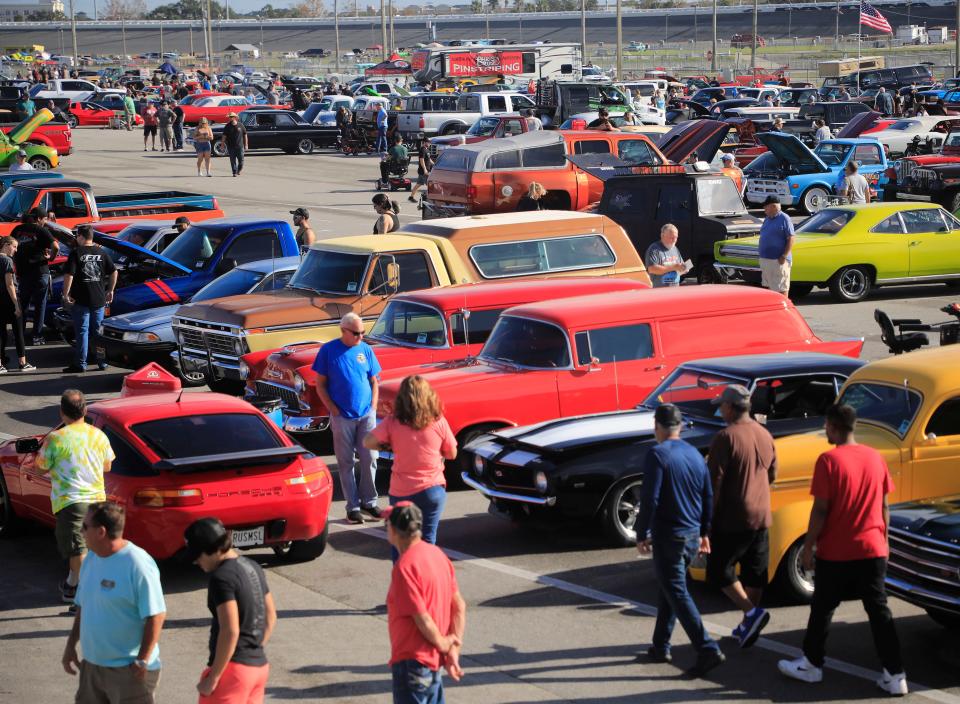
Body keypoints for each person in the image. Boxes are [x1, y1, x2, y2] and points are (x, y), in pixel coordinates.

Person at [777, 404, 907, 696]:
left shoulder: (828, 461)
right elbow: (884, 505)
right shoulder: (875, 458)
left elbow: (820, 510)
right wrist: (884, 541)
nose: (825, 430)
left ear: (834, 426)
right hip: (872, 547)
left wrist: (808, 546)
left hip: (837, 550)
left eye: (826, 426)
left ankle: (812, 664)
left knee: (823, 608)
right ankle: (895, 673)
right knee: (878, 610)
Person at [636, 404, 724, 676]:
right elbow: (707, 496)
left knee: (675, 590)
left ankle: (706, 647)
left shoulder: (657, 455)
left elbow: (650, 498)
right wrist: (705, 532)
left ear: (658, 426)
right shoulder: (695, 455)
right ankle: (660, 645)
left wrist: (641, 532)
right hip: (691, 535)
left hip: (669, 536)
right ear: (681, 426)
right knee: (669, 588)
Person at [61, 501, 166, 703]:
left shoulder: (137, 564)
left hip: (129, 671)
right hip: (92, 666)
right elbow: (84, 606)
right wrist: (71, 645)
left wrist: (142, 659)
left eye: (85, 527)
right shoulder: (91, 559)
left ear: (101, 532)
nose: (81, 531)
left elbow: (156, 615)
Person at [706, 385, 777, 649]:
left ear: (730, 407)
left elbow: (714, 482)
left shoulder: (725, 437)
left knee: (719, 571)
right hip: (762, 515)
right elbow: (772, 475)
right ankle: (749, 624)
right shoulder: (764, 433)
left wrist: (707, 522)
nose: (719, 409)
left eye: (721, 405)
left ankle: (751, 613)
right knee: (754, 573)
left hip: (734, 517)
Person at [185, 518, 277, 704]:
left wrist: (214, 677)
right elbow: (270, 616)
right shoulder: (252, 566)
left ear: (211, 549)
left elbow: (230, 629)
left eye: (197, 554)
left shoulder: (221, 578)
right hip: (257, 668)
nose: (196, 561)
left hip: (232, 672)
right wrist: (252, 650)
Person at [365, 375, 457, 553]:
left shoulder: (393, 422)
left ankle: (403, 577)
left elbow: (368, 442)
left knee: (400, 543)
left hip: (402, 491)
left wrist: (389, 444)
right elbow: (452, 453)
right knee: (428, 542)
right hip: (433, 489)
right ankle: (426, 578)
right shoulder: (438, 421)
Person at [385, 502, 466, 703]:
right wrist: (452, 650)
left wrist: (443, 643)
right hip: (432, 662)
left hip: (413, 662)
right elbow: (459, 606)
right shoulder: (438, 555)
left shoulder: (404, 567)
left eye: (386, 523)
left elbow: (422, 617)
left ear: (394, 530)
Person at [38, 389, 113, 602]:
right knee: (91, 546)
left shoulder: (56, 438)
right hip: (98, 499)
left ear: (62, 412)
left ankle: (83, 591)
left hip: (71, 500)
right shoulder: (99, 435)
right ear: (85, 410)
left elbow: (39, 469)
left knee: (77, 547)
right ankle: (72, 584)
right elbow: (107, 466)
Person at [312, 312, 383, 524]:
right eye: (356, 333)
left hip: (366, 414)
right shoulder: (328, 351)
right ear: (343, 331)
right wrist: (333, 409)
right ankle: (352, 507)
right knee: (346, 462)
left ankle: (369, 502)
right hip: (342, 416)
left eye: (362, 332)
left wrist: (373, 406)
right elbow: (320, 384)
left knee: (370, 458)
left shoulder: (365, 349)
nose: (360, 337)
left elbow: (374, 380)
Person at [62, 224, 117, 373]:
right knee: (98, 333)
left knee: (82, 332)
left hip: (81, 299)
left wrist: (65, 294)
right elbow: (114, 271)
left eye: (77, 236)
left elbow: (69, 275)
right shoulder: (101, 252)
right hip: (99, 299)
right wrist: (110, 290)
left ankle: (81, 364)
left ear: (81, 236)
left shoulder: (76, 253)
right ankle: (102, 362)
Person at [13, 207, 55, 346]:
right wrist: (51, 258)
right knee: (40, 305)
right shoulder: (41, 230)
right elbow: (56, 246)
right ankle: (37, 336)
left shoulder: (17, 230)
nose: (45, 222)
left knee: (22, 305)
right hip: (40, 272)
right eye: (44, 219)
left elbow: (9, 247)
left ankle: (20, 335)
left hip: (24, 274)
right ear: (38, 219)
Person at [0, 236, 34, 372]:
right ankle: (22, 362)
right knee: (18, 330)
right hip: (9, 299)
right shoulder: (7, 260)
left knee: (1, 332)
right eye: (14, 246)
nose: (15, 250)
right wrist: (16, 304)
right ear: (6, 245)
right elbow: (10, 284)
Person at [758, 196, 793, 296]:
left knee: (782, 287)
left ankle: (783, 309)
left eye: (766, 207)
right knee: (771, 288)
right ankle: (773, 309)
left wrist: (784, 256)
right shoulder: (767, 219)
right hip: (766, 260)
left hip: (778, 260)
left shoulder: (784, 218)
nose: (764, 210)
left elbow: (791, 238)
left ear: (773, 206)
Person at [644, 223, 686, 288]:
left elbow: (680, 264)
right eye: (671, 237)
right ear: (662, 236)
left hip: (675, 290)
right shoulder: (654, 249)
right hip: (660, 292)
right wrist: (673, 267)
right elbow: (652, 269)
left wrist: (684, 268)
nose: (674, 240)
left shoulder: (675, 248)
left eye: (676, 237)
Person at [221, 112, 248, 178]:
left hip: (240, 146)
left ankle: (239, 169)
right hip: (231, 146)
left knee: (241, 160)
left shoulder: (240, 125)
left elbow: (245, 135)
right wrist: (222, 144)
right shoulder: (227, 126)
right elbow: (224, 136)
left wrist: (246, 144)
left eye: (231, 117)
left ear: (234, 117)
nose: (230, 118)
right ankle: (234, 172)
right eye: (229, 117)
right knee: (232, 160)